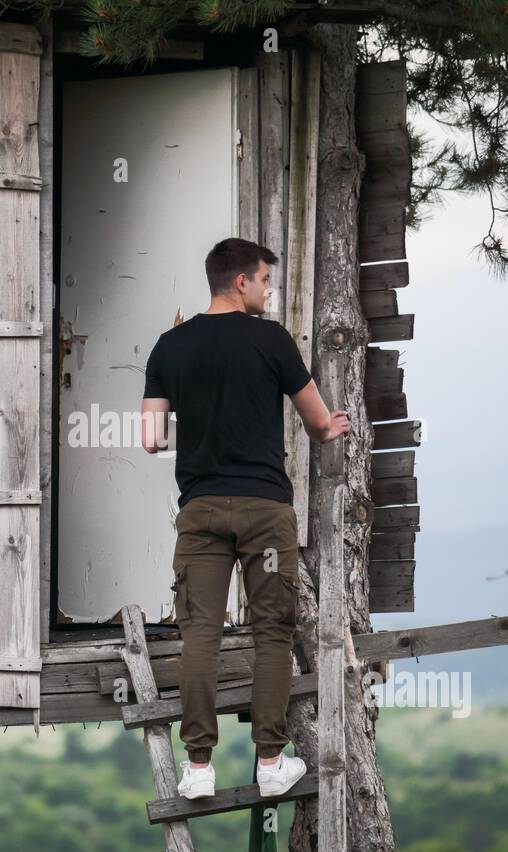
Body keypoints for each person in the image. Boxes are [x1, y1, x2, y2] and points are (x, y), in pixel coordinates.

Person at [139, 237, 350, 799]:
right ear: (241, 283)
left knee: (199, 634)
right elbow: (318, 423)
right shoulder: (272, 341)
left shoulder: (169, 346)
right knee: (271, 633)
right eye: (264, 281)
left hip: (202, 511)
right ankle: (270, 762)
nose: (268, 290)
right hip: (264, 511)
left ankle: (199, 770)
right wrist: (333, 427)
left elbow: (151, 438)